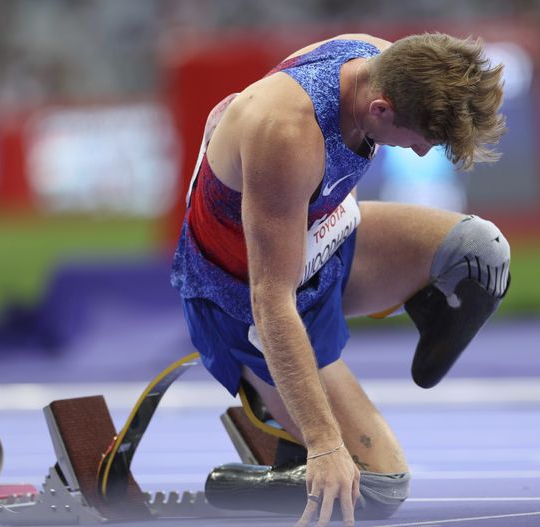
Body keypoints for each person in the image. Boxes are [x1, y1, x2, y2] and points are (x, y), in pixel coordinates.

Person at [171, 32, 510, 526]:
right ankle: (271, 453)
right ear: (379, 110)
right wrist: (326, 443)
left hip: (323, 241)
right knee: (378, 488)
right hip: (244, 299)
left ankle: (321, 393)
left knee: (481, 256)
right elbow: (271, 303)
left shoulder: (381, 57)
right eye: (421, 141)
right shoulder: (286, 133)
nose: (418, 155)